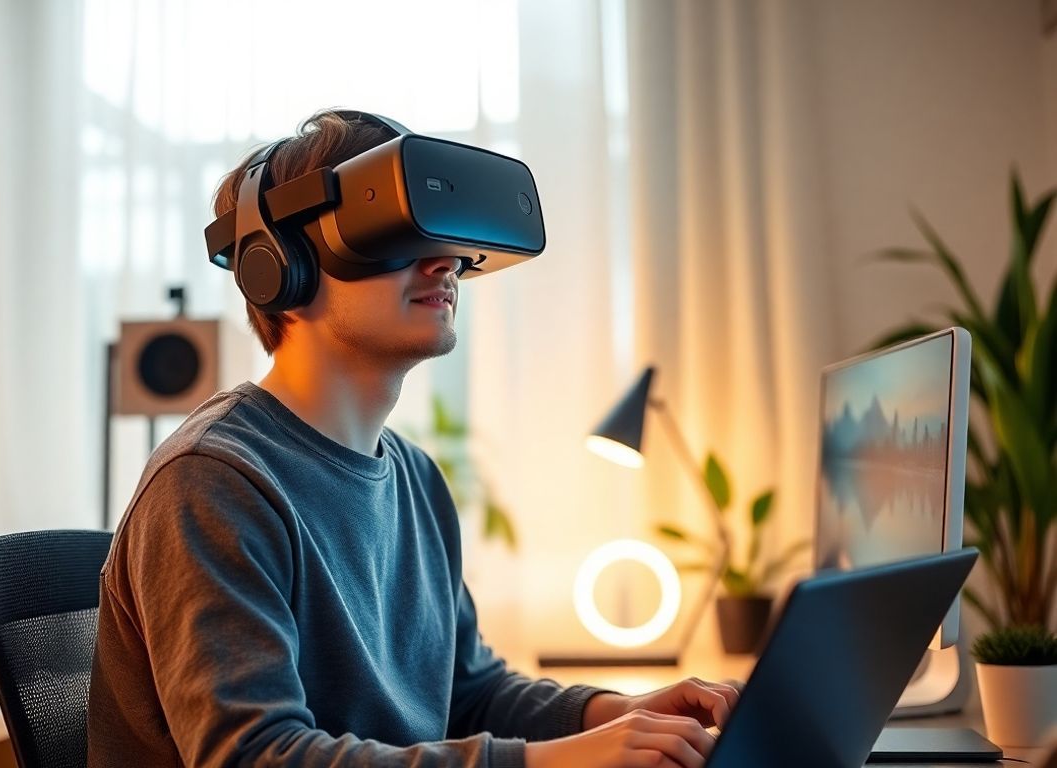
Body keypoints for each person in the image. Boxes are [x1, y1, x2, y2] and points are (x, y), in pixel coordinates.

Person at [88, 110, 739, 767]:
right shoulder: (213, 479)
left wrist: (623, 714)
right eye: (388, 231)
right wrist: (551, 762)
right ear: (280, 266)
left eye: (446, 236)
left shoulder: (416, 480)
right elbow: (258, 756)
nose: (446, 261)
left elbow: (469, 692)